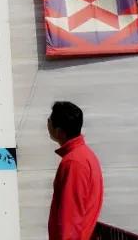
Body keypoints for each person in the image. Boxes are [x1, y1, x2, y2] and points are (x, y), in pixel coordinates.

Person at [47, 101, 104, 240]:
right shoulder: (85, 155)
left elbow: (70, 218)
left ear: (59, 131)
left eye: (49, 120)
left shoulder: (73, 163)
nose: (47, 122)